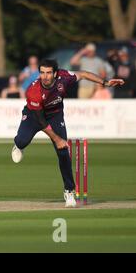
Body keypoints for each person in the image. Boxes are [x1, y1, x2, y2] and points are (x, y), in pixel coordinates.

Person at [11, 59, 124, 208]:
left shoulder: (64, 78)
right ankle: (19, 146)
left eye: (48, 73)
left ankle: (69, 191)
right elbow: (41, 121)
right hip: (34, 116)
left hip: (55, 115)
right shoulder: (33, 90)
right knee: (21, 141)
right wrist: (57, 139)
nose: (45, 76)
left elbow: (83, 74)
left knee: (63, 151)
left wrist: (105, 82)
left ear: (56, 73)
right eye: (42, 73)